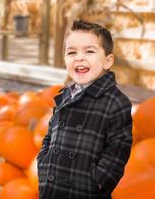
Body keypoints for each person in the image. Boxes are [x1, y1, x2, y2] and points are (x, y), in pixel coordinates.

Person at [37, 20, 132, 199]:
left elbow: (118, 150)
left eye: (89, 51)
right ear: (65, 59)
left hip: (85, 191)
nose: (79, 58)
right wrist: (43, 163)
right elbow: (50, 136)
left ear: (107, 61)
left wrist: (97, 181)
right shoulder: (64, 96)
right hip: (52, 187)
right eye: (72, 52)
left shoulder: (116, 102)